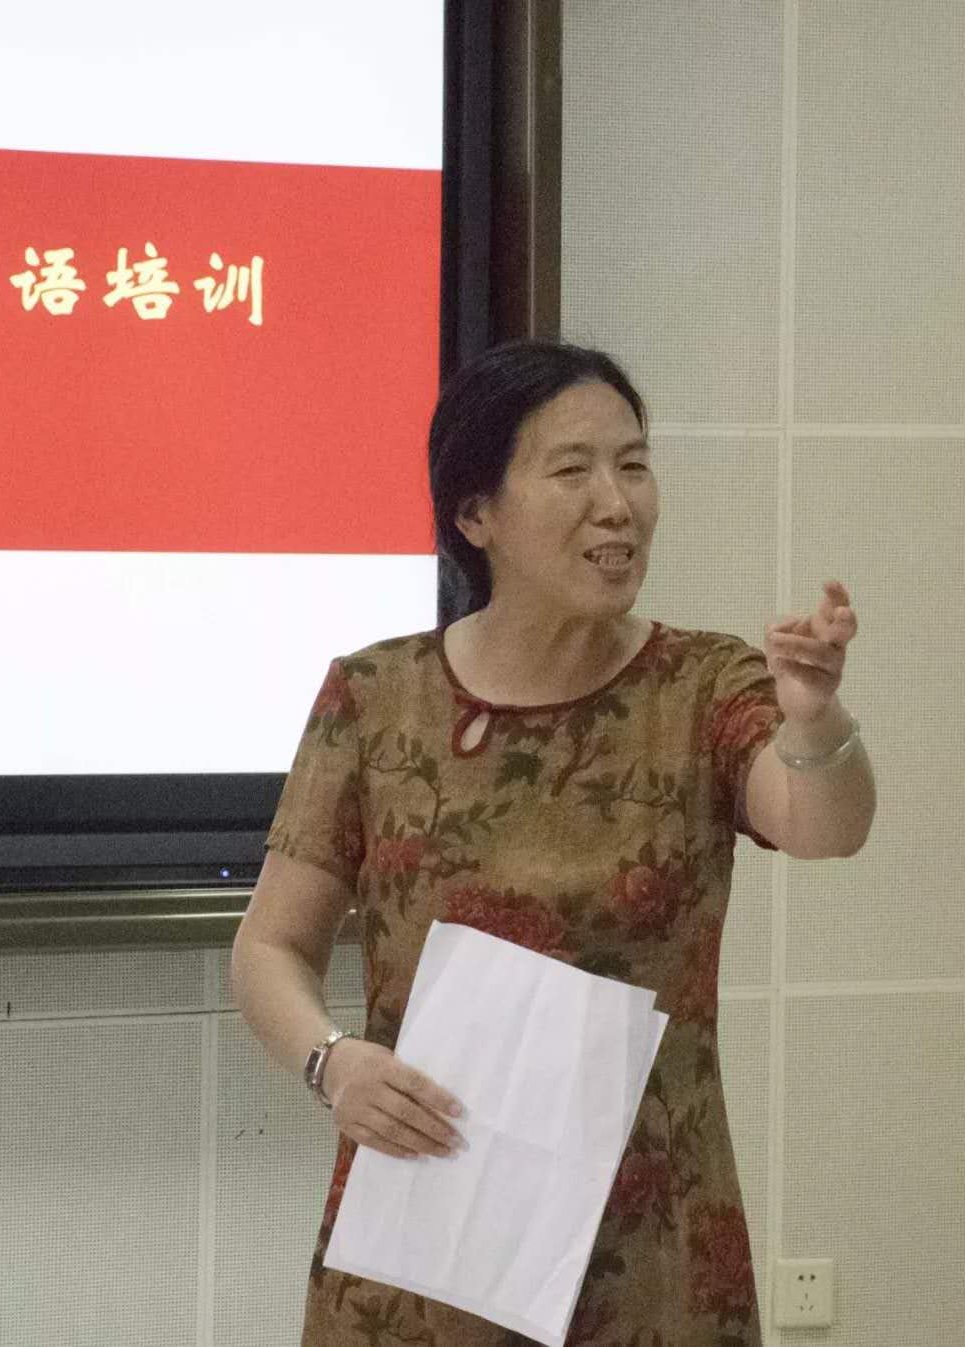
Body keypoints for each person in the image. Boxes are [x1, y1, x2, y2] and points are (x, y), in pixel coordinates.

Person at [232, 340, 869, 1346]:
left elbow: (824, 826)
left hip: (648, 1250)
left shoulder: (702, 686)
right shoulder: (377, 697)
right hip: (428, 1236)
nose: (617, 504)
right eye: (573, 470)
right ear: (475, 513)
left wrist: (816, 719)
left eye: (634, 464)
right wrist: (333, 1064)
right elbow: (270, 945)